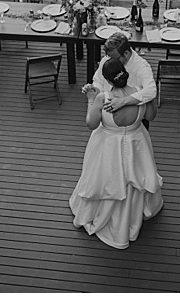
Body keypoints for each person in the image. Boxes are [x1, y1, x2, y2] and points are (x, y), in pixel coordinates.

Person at [70, 58, 163, 249]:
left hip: (109, 147)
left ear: (108, 79)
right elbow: (151, 116)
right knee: (135, 182)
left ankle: (103, 218)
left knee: (106, 180)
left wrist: (90, 101)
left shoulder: (102, 99)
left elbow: (92, 124)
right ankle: (132, 218)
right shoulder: (140, 94)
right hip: (137, 143)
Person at [81, 32, 157, 129]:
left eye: (114, 57)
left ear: (126, 53)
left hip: (135, 122)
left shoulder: (142, 68)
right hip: (108, 118)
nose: (110, 60)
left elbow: (151, 91)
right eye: (109, 57)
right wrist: (95, 89)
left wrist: (123, 101)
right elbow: (99, 80)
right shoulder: (107, 60)